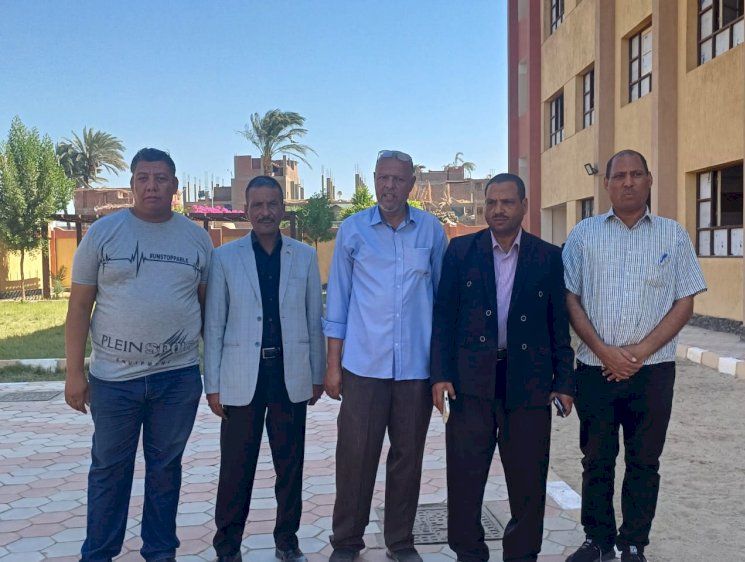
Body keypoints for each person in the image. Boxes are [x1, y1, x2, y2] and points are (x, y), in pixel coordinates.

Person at [64, 148, 214, 562]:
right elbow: (79, 307)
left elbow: (209, 310)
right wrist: (74, 373)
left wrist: (215, 375)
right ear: (132, 184)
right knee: (109, 471)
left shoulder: (196, 239)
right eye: (143, 178)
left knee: (166, 471)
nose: (152, 186)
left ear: (175, 186)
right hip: (114, 381)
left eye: (161, 178)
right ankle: (98, 554)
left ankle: (160, 553)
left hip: (177, 379)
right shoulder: (103, 233)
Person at [562, 150, 707, 562]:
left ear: (649, 180)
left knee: (644, 461)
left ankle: (632, 543)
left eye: (636, 174)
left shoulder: (673, 235)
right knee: (597, 460)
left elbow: (684, 301)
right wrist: (603, 352)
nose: (628, 182)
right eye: (620, 175)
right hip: (595, 370)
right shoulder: (584, 235)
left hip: (653, 371)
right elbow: (570, 297)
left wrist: (638, 353)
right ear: (606, 183)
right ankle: (597, 540)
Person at [431, 173, 575, 562]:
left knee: (528, 483)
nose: (498, 209)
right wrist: (440, 375)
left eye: (507, 202)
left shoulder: (547, 257)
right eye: (491, 202)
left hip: (528, 385)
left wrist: (564, 381)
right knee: (465, 481)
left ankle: (522, 554)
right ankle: (469, 553)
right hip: (469, 385)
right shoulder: (461, 251)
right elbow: (443, 317)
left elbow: (558, 324)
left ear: (524, 206)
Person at [323, 149, 447, 562]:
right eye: (383, 178)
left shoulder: (431, 232)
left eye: (398, 179)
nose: (389, 186)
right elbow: (338, 302)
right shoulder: (353, 230)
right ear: (375, 180)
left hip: (415, 371)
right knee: (355, 457)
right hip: (363, 368)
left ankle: (400, 542)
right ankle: (347, 542)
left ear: (412, 184)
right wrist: (333, 366)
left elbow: (443, 303)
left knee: (407, 460)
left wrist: (441, 370)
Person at [204, 175, 325, 562]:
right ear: (246, 210)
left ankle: (287, 540)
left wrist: (318, 374)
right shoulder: (225, 257)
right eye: (257, 205)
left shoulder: (303, 257)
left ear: (283, 208)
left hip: (289, 376)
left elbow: (314, 319)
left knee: (290, 466)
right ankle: (227, 546)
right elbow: (214, 324)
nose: (265, 212)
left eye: (272, 204)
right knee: (236, 468)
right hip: (242, 377)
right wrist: (213, 384)